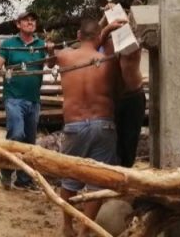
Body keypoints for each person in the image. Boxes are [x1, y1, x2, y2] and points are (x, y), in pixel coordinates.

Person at [55, 19, 122, 237]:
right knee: (97, 181)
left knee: (69, 177)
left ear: (77, 34)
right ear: (98, 38)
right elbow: (118, 86)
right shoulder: (108, 61)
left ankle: (67, 226)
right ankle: (85, 230)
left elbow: (47, 58)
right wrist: (108, 33)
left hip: (74, 124)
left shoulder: (64, 56)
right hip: (103, 123)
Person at [0, 11, 54, 190]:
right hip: (13, 98)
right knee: (16, 134)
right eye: (26, 20)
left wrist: (51, 50)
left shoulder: (41, 45)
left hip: (33, 99)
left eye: (33, 20)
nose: (30, 23)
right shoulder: (9, 44)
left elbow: (51, 64)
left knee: (30, 142)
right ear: (18, 24)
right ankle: (6, 171)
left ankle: (23, 180)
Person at [99, 19, 145, 168]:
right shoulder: (106, 44)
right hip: (113, 98)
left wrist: (115, 25)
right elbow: (89, 43)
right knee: (112, 142)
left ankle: (126, 171)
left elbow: (125, 37)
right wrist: (105, 23)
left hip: (132, 98)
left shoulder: (130, 44)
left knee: (128, 144)